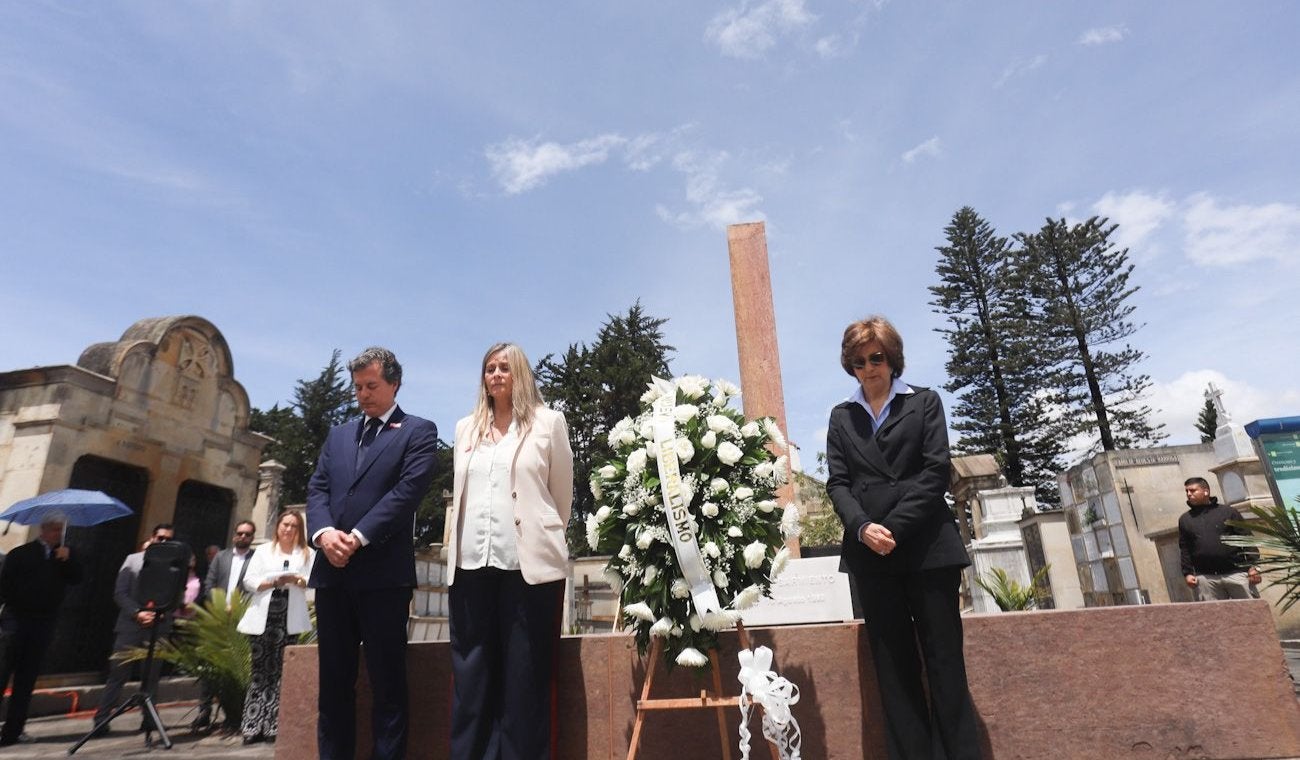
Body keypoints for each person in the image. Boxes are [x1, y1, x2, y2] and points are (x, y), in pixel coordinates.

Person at [825, 315, 979, 760]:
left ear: (892, 358)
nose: (869, 368)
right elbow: (838, 482)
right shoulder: (841, 417)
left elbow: (934, 472)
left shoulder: (925, 403)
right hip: (871, 558)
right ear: (849, 365)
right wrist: (861, 527)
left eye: (877, 357)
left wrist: (890, 527)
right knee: (894, 672)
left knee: (945, 665)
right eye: (858, 361)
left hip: (928, 548)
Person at [306, 346, 439, 760]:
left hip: (383, 577)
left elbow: (406, 494)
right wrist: (325, 533)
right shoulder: (339, 434)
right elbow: (318, 488)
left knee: (387, 686)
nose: (363, 394)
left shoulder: (418, 431)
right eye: (358, 386)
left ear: (394, 383)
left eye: (372, 385)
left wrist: (357, 536)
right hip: (331, 573)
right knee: (333, 685)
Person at [446, 342, 574, 760]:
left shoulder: (548, 423)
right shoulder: (465, 428)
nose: (496, 374)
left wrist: (540, 536)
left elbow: (561, 496)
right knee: (472, 676)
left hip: (527, 569)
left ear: (520, 373)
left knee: (524, 678)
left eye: (504, 367)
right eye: (489, 368)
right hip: (470, 566)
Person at [0, 513, 84, 746]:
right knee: (2, 673)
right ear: (44, 530)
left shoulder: (66, 555)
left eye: (61, 529)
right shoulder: (21, 554)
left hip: (43, 623)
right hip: (16, 621)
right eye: (55, 529)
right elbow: (5, 586)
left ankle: (13, 731)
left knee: (26, 681)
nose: (58, 534)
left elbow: (77, 578)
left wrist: (66, 560)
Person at [92, 523, 181, 735]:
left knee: (151, 677)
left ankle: (149, 719)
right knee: (117, 674)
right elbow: (120, 593)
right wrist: (137, 613)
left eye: (169, 539)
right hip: (130, 626)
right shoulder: (132, 560)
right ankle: (102, 719)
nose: (164, 543)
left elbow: (177, 596)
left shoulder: (176, 565)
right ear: (152, 537)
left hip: (157, 627)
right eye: (161, 538)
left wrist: (158, 614)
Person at [237, 509, 315, 744]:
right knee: (260, 672)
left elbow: (311, 581)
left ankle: (273, 725)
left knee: (281, 672)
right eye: (285, 524)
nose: (288, 529)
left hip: (288, 616)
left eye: (293, 526)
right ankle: (252, 725)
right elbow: (249, 580)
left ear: (299, 530)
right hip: (265, 612)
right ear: (278, 527)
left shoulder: (306, 553)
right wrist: (271, 582)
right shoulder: (263, 551)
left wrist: (296, 580)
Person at [192, 520, 258, 731]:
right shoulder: (221, 557)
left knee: (239, 667)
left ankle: (235, 713)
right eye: (240, 533)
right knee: (209, 664)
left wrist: (238, 608)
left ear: (252, 537)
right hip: (218, 617)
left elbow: (257, 588)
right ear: (234, 536)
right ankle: (204, 710)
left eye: (247, 534)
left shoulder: (257, 558)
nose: (243, 537)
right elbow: (209, 584)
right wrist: (221, 605)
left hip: (242, 619)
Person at [1179, 476, 1261, 601]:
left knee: (1252, 613)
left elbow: (1247, 539)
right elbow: (1185, 548)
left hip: (1236, 574)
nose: (1189, 494)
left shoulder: (1228, 512)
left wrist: (1253, 567)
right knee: (1213, 618)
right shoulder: (1185, 519)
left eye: (1193, 490)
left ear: (1206, 491)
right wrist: (1188, 573)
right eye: (1187, 491)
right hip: (1206, 579)